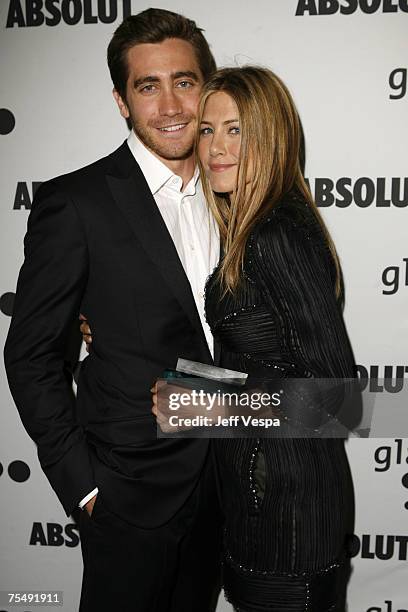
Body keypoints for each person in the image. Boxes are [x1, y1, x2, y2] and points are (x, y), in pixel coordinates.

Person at [3, 9, 222, 612]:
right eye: (148, 87)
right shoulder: (76, 204)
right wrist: (86, 487)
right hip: (129, 494)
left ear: (208, 86)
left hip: (225, 483)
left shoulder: (237, 193)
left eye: (185, 81)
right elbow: (30, 356)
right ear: (122, 101)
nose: (172, 105)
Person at [153, 66, 356, 611]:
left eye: (235, 129)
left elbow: (340, 402)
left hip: (289, 515)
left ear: (271, 135)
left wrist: (206, 402)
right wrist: (197, 383)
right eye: (207, 130)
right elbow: (263, 361)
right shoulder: (248, 225)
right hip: (261, 502)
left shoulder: (275, 235)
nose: (216, 148)